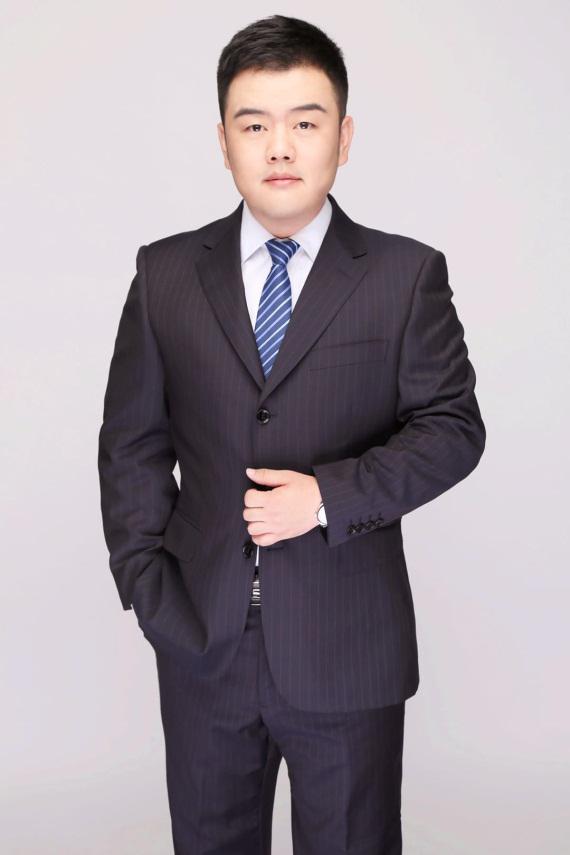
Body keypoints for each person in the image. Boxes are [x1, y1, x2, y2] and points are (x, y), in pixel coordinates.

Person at [98, 13, 486, 855]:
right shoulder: (165, 274)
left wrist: (326, 498)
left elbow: (454, 427)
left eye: (305, 123)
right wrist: (147, 587)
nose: (280, 147)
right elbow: (130, 443)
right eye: (255, 125)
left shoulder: (404, 275)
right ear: (223, 141)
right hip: (201, 641)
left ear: (343, 137)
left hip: (349, 642)